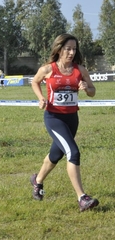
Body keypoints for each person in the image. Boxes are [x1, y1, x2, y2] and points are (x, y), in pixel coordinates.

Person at [30, 33, 99, 212]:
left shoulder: (80, 70)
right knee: (73, 152)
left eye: (74, 49)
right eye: (67, 49)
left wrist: (86, 88)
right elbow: (35, 82)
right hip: (54, 118)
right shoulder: (48, 69)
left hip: (72, 118)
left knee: (55, 155)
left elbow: (93, 91)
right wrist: (41, 98)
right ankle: (82, 198)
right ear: (59, 49)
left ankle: (37, 181)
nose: (71, 52)